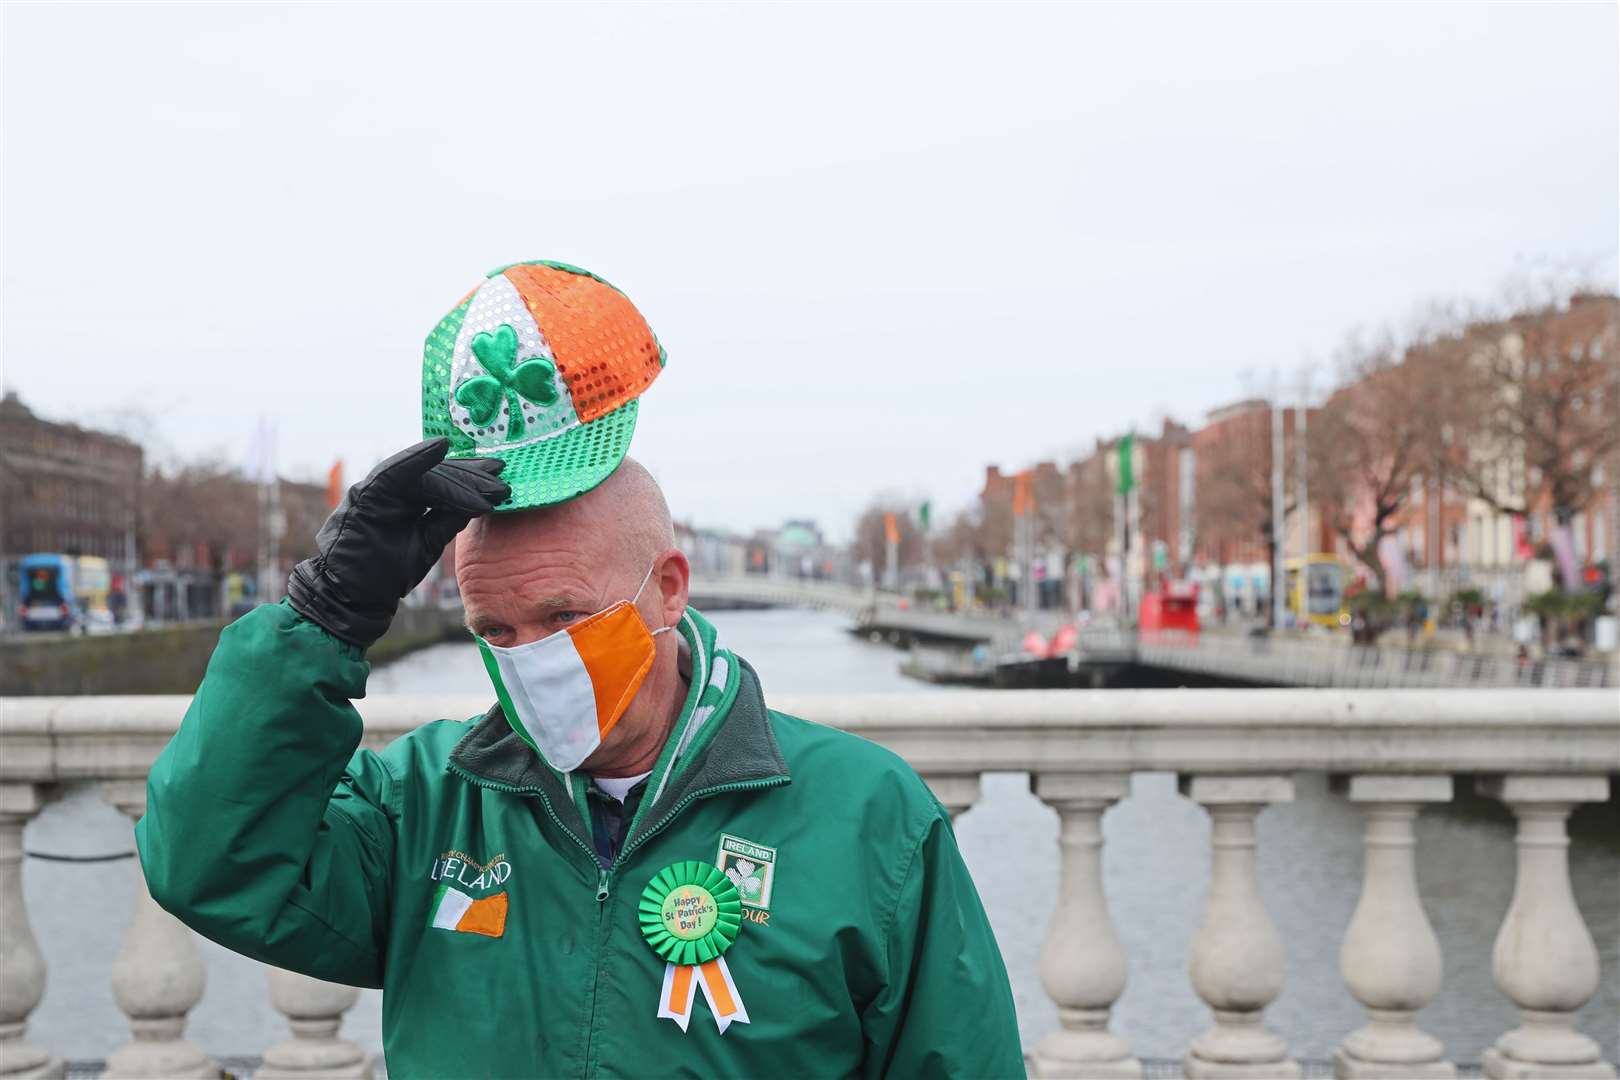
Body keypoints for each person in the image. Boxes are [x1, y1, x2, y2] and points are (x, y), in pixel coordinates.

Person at [136, 261, 1022, 1079]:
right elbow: (209, 868)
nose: (530, 658)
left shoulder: (866, 817)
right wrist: (321, 617)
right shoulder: (424, 803)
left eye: (562, 616)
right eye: (496, 628)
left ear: (667, 590)